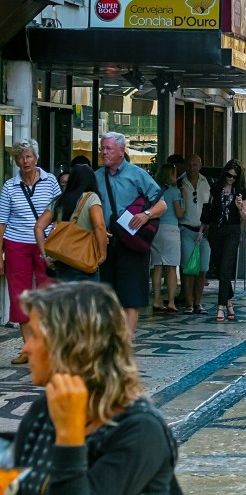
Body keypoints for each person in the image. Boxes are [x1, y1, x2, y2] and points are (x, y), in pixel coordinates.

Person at [12, 282, 181, 492]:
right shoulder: (43, 411)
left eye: (36, 336)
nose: (25, 347)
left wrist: (69, 438)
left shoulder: (140, 431)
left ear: (73, 345)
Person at [95, 132, 165, 337]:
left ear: (121, 151)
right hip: (106, 242)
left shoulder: (137, 174)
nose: (103, 153)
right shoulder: (97, 176)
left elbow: (162, 204)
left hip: (132, 242)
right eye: (102, 148)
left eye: (108, 148)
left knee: (131, 297)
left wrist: (146, 215)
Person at [0, 139, 61, 362]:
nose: (24, 161)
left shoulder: (50, 181)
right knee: (20, 296)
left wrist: (56, 234)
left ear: (36, 158)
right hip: (16, 244)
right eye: (19, 157)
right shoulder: (9, 186)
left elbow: (59, 211)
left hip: (45, 244)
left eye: (28, 156)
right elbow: (1, 222)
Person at [33, 164, 108, 283]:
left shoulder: (60, 200)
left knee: (66, 300)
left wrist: (45, 256)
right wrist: (103, 254)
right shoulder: (91, 197)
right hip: (84, 260)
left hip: (61, 261)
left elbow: (38, 227)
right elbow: (99, 226)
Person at [207, 160, 246, 322]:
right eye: (228, 175)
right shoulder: (216, 188)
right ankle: (229, 302)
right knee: (219, 268)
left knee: (226, 268)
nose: (231, 179)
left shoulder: (241, 191)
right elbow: (210, 209)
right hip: (216, 230)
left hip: (232, 231)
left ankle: (220, 308)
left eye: (234, 177)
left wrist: (239, 207)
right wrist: (203, 229)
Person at [177, 153, 210, 315]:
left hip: (203, 231)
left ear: (200, 166)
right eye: (189, 165)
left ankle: (198, 302)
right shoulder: (180, 183)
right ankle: (189, 302)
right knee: (188, 269)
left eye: (195, 165)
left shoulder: (207, 183)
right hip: (186, 229)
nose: (192, 168)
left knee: (202, 268)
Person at [149, 163, 183, 314]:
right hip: (171, 230)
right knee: (171, 268)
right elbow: (179, 213)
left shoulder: (155, 190)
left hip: (156, 229)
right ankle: (171, 302)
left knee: (157, 266)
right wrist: (185, 201)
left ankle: (156, 301)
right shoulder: (175, 191)